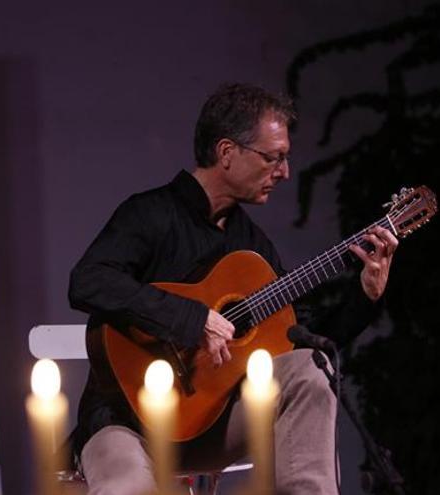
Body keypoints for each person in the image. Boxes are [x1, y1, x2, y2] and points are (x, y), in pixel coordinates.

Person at [68, 83, 399, 494]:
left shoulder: (253, 247)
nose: (284, 172)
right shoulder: (149, 214)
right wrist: (193, 319)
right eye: (273, 157)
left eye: (285, 159)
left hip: (213, 424)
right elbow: (89, 280)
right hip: (125, 423)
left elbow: (301, 338)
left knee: (311, 366)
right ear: (227, 153)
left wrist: (364, 296)